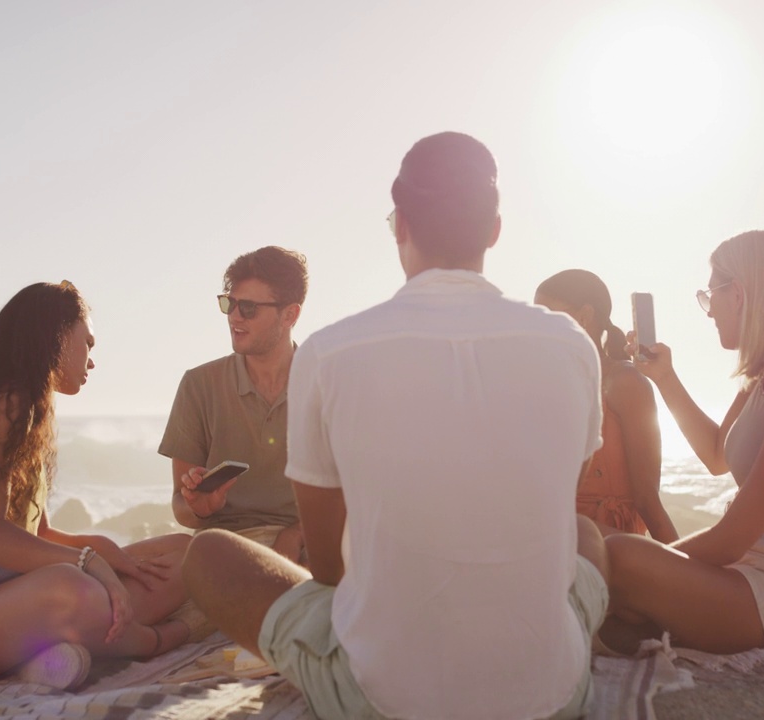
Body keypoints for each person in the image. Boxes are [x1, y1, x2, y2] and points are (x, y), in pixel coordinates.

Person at [180, 132, 611, 720]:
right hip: (550, 695)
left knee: (210, 557)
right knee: (585, 538)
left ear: (400, 224)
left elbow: (329, 570)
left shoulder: (330, 353)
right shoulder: (571, 345)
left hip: (383, 699)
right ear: (494, 230)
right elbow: (561, 501)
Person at [0, 281, 191, 689]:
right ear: (57, 336)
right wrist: (89, 563)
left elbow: (39, 535)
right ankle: (145, 642)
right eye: (88, 342)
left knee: (184, 554)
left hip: (15, 590)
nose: (92, 360)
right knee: (74, 587)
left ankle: (38, 656)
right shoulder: (5, 402)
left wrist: (105, 551)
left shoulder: (34, 412)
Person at [600, 230, 764, 655]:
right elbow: (718, 455)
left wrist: (644, 566)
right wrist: (664, 378)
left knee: (617, 555)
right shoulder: (760, 379)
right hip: (744, 568)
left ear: (740, 294)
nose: (709, 310)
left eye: (710, 293)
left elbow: (731, 539)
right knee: (595, 540)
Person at [159, 246, 308, 562]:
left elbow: (355, 493)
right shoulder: (199, 384)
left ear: (290, 314)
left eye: (249, 308)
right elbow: (180, 506)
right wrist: (199, 507)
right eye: (229, 304)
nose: (235, 316)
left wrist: (295, 535)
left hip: (308, 544)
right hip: (223, 546)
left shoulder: (327, 383)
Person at [535, 269, 679, 542]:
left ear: (584, 316)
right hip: (554, 536)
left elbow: (647, 499)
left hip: (607, 547)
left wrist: (684, 574)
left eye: (544, 317)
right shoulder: (549, 386)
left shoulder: (624, 382)